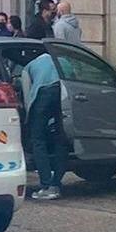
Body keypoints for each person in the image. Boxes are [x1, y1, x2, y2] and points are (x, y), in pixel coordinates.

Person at [22, 52, 69, 201]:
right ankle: (56, 183)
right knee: (61, 139)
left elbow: (27, 93)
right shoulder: (64, 61)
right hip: (63, 96)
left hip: (41, 95)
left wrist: (28, 118)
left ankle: (46, 184)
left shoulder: (30, 66)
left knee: (38, 140)